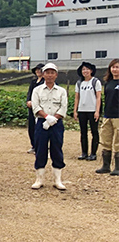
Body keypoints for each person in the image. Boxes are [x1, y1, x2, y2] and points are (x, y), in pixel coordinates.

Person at [30, 63, 68, 191]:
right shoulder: (37, 90)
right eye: (47, 72)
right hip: (42, 122)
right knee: (40, 149)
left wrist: (54, 119)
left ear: (56, 75)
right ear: (43, 74)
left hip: (57, 123)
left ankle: (58, 180)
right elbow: (35, 106)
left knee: (57, 148)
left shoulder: (62, 91)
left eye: (52, 72)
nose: (50, 75)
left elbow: (63, 107)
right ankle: (39, 179)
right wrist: (46, 117)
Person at [74, 62, 102, 161]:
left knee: (94, 131)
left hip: (92, 110)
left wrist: (97, 111)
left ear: (91, 71)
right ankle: (84, 152)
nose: (85, 71)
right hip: (82, 110)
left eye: (87, 69)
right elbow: (77, 97)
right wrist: (75, 110)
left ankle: (93, 153)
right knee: (83, 132)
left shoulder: (96, 82)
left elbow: (98, 97)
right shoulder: (79, 83)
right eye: (83, 69)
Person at [96, 59, 119, 176]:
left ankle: (118, 167)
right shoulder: (108, 83)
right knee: (105, 140)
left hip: (118, 117)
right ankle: (106, 165)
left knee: (118, 142)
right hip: (107, 115)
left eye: (117, 67)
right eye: (113, 67)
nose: (115, 69)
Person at [26, 63, 45, 153]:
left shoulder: (45, 82)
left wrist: (35, 103)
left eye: (40, 70)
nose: (38, 71)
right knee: (31, 127)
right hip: (31, 108)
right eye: (36, 70)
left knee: (40, 127)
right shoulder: (33, 82)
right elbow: (29, 93)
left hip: (41, 108)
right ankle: (34, 145)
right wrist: (28, 101)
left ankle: (41, 146)